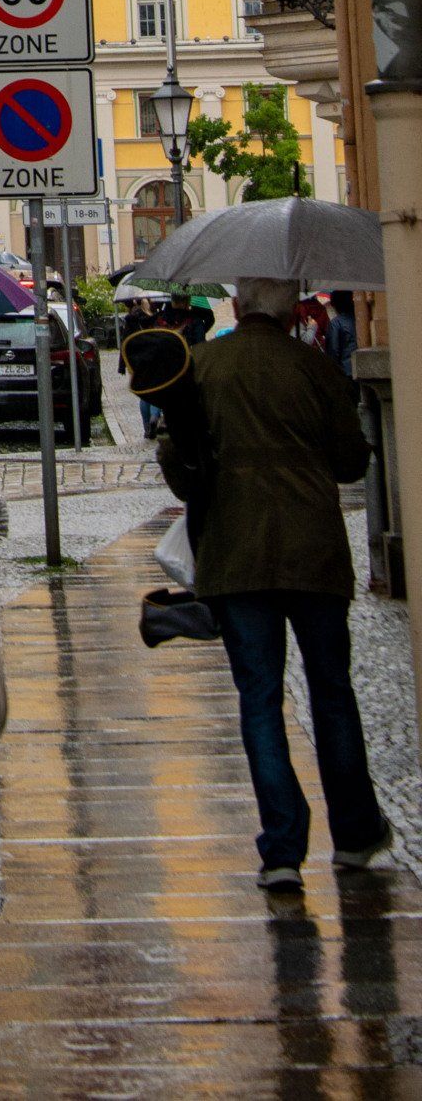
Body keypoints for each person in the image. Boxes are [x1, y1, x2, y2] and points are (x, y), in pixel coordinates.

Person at [157, 275, 388, 891]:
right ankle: (356, 836)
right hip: (315, 554)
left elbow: (179, 465)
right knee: (332, 693)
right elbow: (350, 464)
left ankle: (282, 849)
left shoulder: (204, 367)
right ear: (291, 313)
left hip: (237, 558)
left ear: (237, 306)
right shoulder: (315, 368)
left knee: (259, 699)